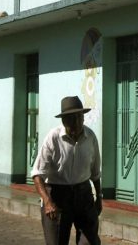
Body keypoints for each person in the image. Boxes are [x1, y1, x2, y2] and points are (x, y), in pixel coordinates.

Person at [32, 96, 102, 245]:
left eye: (79, 117)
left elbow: (95, 173)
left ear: (83, 118)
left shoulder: (90, 137)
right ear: (64, 121)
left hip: (83, 195)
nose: (76, 122)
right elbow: (37, 174)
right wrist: (47, 201)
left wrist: (99, 198)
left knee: (89, 242)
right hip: (57, 197)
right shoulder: (53, 138)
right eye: (71, 119)